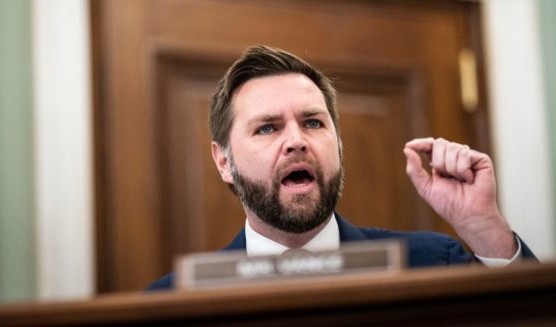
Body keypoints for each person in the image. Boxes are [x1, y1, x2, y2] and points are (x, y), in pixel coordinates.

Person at [147, 45, 536, 290]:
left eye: (314, 123)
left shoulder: (432, 264)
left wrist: (484, 228)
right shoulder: (175, 300)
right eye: (268, 128)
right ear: (223, 161)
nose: (297, 140)